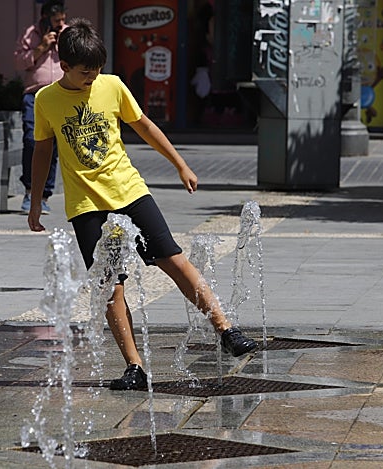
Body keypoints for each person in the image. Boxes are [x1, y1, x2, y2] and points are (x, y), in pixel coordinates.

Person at [27, 18, 258, 391]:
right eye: (86, 72)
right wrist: (36, 202)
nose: (92, 78)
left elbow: (145, 126)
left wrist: (180, 163)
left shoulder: (112, 86)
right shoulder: (46, 100)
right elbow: (42, 150)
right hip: (86, 206)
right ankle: (134, 367)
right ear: (64, 66)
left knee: (172, 258)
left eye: (97, 70)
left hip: (130, 191)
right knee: (110, 286)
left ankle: (226, 330)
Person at [14, 0, 67, 215]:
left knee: (53, 145)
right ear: (45, 18)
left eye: (63, 19)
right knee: (31, 140)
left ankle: (44, 195)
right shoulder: (30, 34)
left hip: (61, 94)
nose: (60, 24)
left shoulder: (68, 33)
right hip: (35, 94)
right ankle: (29, 191)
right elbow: (18, 63)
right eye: (57, 20)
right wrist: (42, 47)